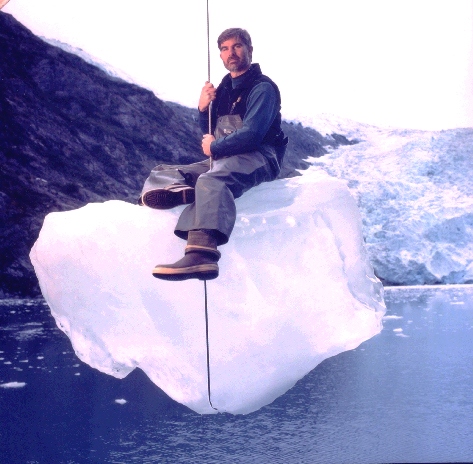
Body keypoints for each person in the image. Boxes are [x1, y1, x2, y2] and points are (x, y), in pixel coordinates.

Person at [140, 28, 287, 281]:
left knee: (211, 179)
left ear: (249, 50)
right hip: (228, 158)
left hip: (260, 156)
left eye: (237, 46)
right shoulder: (224, 89)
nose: (231, 53)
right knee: (166, 172)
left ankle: (202, 256)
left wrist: (215, 148)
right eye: (225, 48)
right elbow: (210, 132)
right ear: (220, 55)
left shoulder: (263, 88)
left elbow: (252, 134)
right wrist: (202, 107)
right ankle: (181, 189)